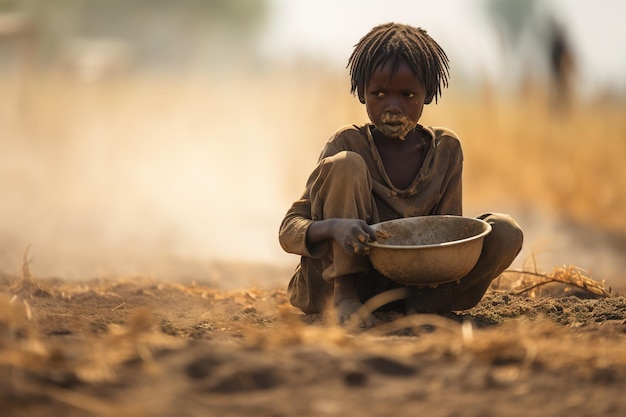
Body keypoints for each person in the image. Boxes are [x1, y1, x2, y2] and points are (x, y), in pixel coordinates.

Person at [278, 23, 523, 328]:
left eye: (408, 95)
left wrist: (432, 286)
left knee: (505, 231)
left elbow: (446, 233)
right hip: (343, 288)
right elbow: (289, 229)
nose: (393, 107)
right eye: (379, 94)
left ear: (428, 93)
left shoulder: (445, 149)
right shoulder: (346, 145)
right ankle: (345, 294)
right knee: (347, 164)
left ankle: (430, 302)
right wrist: (334, 228)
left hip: (413, 285)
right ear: (362, 94)